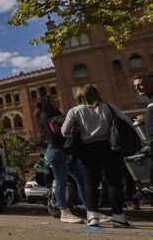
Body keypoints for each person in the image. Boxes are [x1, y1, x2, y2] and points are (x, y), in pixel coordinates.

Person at [61, 84, 135, 228]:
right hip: (109, 147)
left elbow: (64, 132)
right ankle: (119, 217)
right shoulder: (107, 107)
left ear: (78, 96)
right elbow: (127, 120)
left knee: (90, 183)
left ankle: (93, 217)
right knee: (114, 182)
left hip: (87, 149)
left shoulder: (74, 111)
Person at [36, 94, 88, 223]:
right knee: (61, 182)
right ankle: (64, 212)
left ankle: (90, 210)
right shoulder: (49, 117)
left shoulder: (52, 115)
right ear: (47, 104)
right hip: (56, 152)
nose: (57, 100)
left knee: (81, 179)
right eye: (53, 100)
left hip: (63, 152)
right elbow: (60, 129)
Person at [133, 73, 153, 183]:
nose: (137, 89)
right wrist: (146, 118)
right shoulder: (150, 100)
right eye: (135, 86)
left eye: (141, 84)